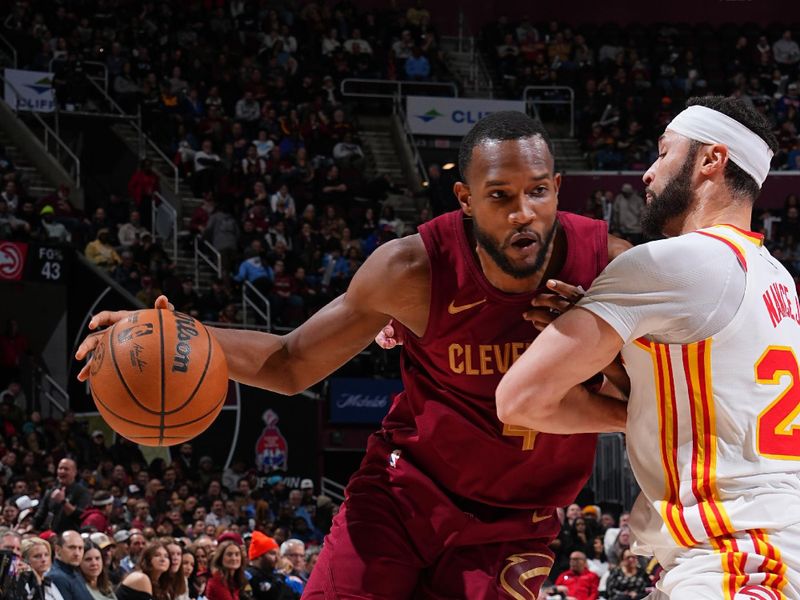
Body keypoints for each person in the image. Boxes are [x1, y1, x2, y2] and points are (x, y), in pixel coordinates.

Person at [77, 111, 629, 598]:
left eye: (537, 192)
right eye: (500, 195)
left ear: (558, 188)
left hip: (516, 521)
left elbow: (647, 402)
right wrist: (174, 331)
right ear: (464, 199)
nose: (522, 213)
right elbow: (292, 362)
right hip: (402, 494)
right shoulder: (410, 270)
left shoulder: (612, 269)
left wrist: (594, 342)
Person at [497, 96, 800, 597]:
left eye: (663, 153)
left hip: (735, 560)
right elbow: (710, 398)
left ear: (711, 160)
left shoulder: (667, 262)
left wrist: (626, 412)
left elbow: (521, 400)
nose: (648, 173)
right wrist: (623, 362)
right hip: (765, 546)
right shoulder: (777, 279)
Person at [33, 460, 91, 534]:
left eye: (66, 469)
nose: (62, 471)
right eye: (60, 468)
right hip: (50, 535)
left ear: (75, 472)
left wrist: (63, 502)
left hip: (71, 536)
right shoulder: (51, 491)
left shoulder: (82, 492)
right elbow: (40, 515)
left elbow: (82, 516)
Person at [245, 531, 298, 600]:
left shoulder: (271, 574)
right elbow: (272, 595)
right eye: (273, 554)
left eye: (278, 554)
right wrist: (282, 573)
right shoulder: (249, 575)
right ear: (259, 556)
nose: (278, 559)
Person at [48, 531, 94, 600]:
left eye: (80, 548)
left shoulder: (74, 572)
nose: (77, 553)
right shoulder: (57, 577)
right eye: (72, 547)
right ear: (57, 550)